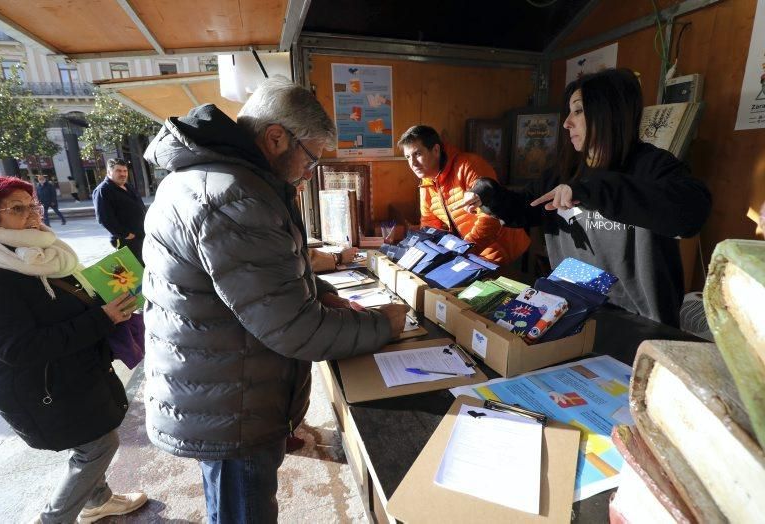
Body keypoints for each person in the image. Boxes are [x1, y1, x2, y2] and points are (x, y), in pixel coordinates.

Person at [142, 78, 409, 523]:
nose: (309, 173)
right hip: (232, 405)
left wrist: (320, 293)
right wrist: (386, 324)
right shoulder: (234, 194)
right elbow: (295, 328)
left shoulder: (210, 178)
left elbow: (250, 285)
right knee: (242, 511)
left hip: (222, 385)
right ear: (276, 138)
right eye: (311, 160)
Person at [453, 68, 712, 327]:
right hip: (575, 306)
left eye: (578, 111)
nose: (566, 123)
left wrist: (594, 190)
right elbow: (525, 208)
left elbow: (692, 212)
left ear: (609, 113)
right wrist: (489, 193)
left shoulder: (650, 165)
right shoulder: (566, 169)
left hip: (637, 319)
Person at [0, 175, 147, 524]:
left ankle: (98, 500)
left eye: (33, 204)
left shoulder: (33, 252)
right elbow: (17, 347)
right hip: (38, 385)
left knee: (89, 436)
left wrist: (109, 299)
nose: (33, 214)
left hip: (71, 370)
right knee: (97, 445)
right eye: (18, 208)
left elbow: (56, 304)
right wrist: (102, 319)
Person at [397, 125, 530, 264]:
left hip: (502, 252)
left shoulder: (468, 165)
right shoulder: (426, 181)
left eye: (418, 154)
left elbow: (491, 218)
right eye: (408, 157)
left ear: (436, 150)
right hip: (471, 255)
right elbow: (429, 224)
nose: (412, 163)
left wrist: (465, 250)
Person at [92, 159, 147, 261]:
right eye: (118, 171)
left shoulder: (127, 186)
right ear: (109, 172)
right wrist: (125, 234)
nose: (123, 174)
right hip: (127, 239)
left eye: (125, 171)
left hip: (141, 235)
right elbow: (104, 218)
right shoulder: (103, 190)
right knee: (135, 268)